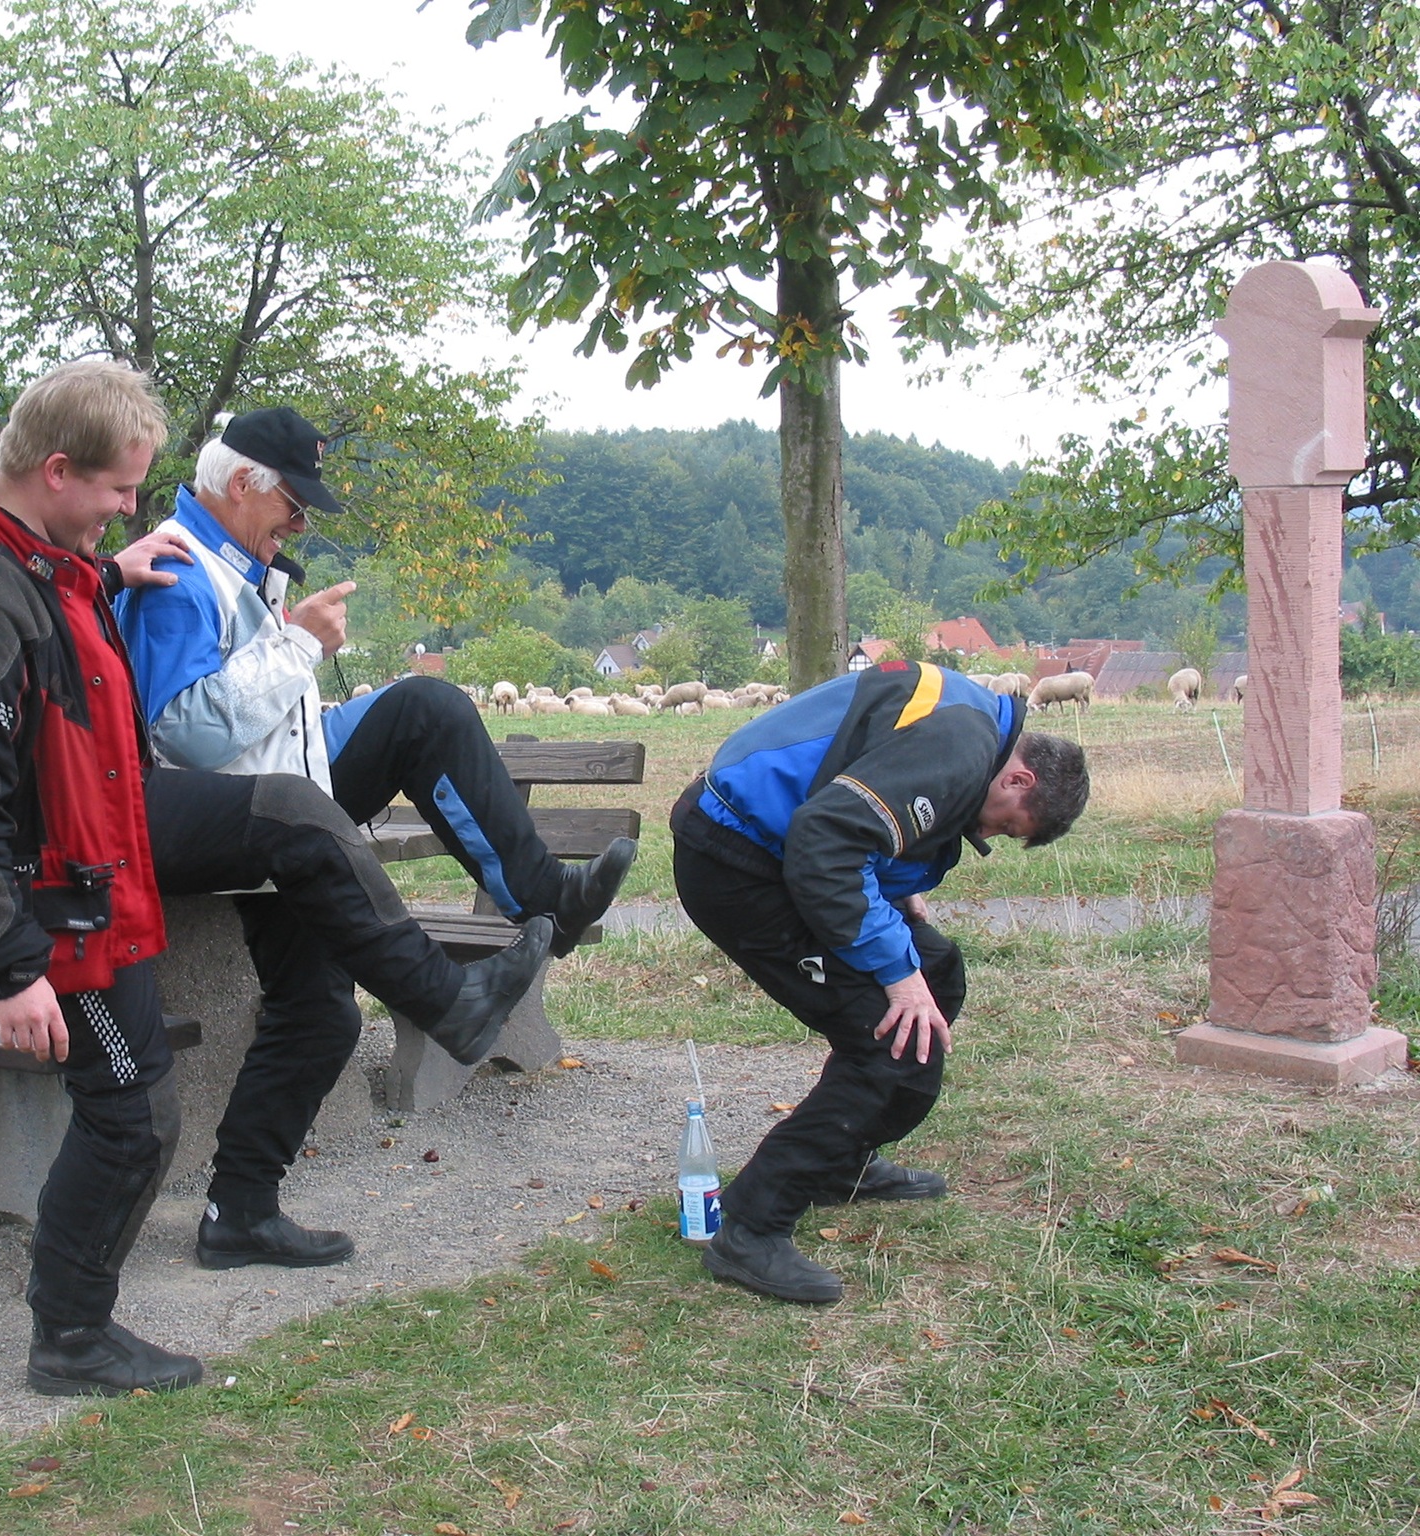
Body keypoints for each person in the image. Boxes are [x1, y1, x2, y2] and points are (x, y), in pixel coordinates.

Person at [0, 362, 554, 1395]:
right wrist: (8, 968)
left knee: (188, 1060)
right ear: (56, 470)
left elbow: (46, 641)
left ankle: (211, 1231)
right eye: (120, 491)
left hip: (87, 869)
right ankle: (69, 1337)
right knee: (133, 1114)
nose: (130, 512)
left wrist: (110, 577)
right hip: (48, 908)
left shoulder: (31, 562)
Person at [116, 406, 636, 1270]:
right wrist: (297, 646)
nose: (301, 524)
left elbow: (255, 718)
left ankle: (549, 902)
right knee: (321, 1009)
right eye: (294, 504)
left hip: (284, 795)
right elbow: (187, 737)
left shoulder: (241, 563)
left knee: (425, 708)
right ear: (241, 484)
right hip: (230, 819)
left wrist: (298, 662)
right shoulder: (176, 569)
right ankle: (246, 1203)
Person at [669, 660, 1089, 1304]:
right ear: (1019, 777)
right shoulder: (962, 746)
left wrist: (899, 893)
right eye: (1006, 823)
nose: (988, 834)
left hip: (779, 852)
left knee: (937, 975)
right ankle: (751, 1228)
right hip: (736, 862)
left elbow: (862, 790)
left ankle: (842, 1162)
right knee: (883, 1040)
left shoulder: (975, 720)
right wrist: (896, 974)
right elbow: (826, 839)